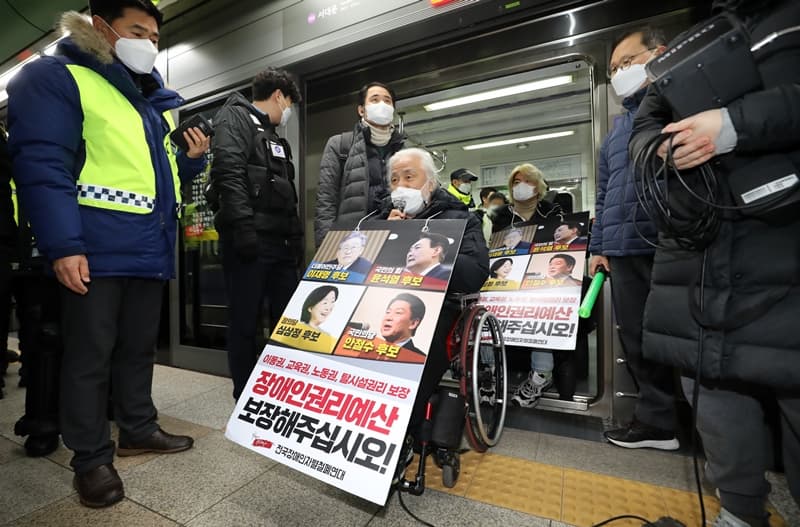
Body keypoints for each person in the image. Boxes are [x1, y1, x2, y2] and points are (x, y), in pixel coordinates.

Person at [6, 0, 209, 508]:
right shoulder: (58, 77)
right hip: (94, 247)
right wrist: (64, 244)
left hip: (145, 247)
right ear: (101, 29)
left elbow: (154, 181)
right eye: (136, 31)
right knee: (88, 358)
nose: (149, 43)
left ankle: (138, 427)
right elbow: (43, 164)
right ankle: (91, 459)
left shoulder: (145, 103)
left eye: (155, 37)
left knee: (138, 349)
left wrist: (188, 162)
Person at [628, 1, 800, 525]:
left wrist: (734, 125)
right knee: (714, 394)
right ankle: (740, 511)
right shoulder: (693, 43)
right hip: (697, 245)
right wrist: (657, 150)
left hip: (780, 237)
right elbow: (644, 127)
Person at [587, 26, 679, 452]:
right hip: (624, 249)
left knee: (681, 337)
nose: (621, 73)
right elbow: (605, 194)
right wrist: (598, 247)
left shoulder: (682, 104)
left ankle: (701, 424)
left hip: (673, 243)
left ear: (658, 53)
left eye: (627, 62)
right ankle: (658, 422)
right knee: (638, 339)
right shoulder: (616, 132)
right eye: (614, 69)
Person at [378, 147, 489, 459]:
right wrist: (388, 235)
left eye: (410, 177)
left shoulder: (460, 219)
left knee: (414, 349)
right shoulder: (379, 219)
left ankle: (399, 437)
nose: (401, 185)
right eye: (394, 180)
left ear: (431, 182)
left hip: (437, 308)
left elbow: (477, 273)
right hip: (383, 301)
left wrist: (436, 259)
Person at [208, 68, 303, 401]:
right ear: (279, 95)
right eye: (289, 102)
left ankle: (281, 389)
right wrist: (244, 228)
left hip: (279, 244)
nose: (287, 111)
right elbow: (228, 173)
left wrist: (295, 238)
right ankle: (246, 394)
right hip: (249, 240)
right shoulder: (234, 118)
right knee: (245, 321)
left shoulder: (273, 134)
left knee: (285, 322)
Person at [315, 82, 405, 246]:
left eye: (387, 101)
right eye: (375, 100)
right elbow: (326, 200)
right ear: (361, 110)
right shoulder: (340, 144)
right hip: (351, 240)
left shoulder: (402, 149)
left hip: (393, 239)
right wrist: (325, 246)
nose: (382, 105)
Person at [491, 163, 561, 233]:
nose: (521, 185)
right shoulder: (499, 215)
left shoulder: (551, 211)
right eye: (517, 182)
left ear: (538, 187)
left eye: (527, 181)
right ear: (511, 188)